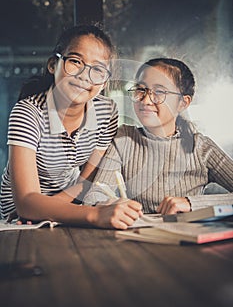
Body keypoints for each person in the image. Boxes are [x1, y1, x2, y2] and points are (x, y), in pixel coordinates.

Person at [0, 23, 142, 229]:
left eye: (98, 70)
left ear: (104, 82)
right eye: (76, 61)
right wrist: (94, 214)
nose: (85, 75)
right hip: (17, 216)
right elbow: (26, 200)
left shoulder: (107, 111)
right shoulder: (27, 112)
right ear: (52, 65)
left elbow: (86, 180)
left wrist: (45, 209)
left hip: (64, 208)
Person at [83, 58, 233, 214]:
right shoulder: (124, 139)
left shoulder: (201, 148)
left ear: (183, 102)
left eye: (159, 92)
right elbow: (93, 197)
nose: (146, 100)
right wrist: (110, 205)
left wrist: (191, 203)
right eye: (141, 89)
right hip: (138, 234)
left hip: (189, 234)